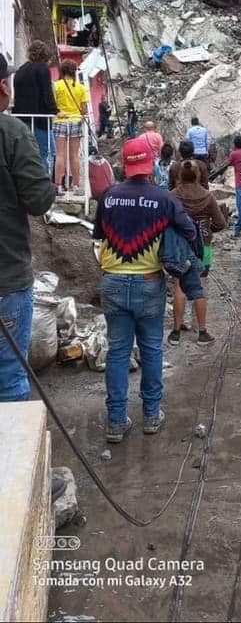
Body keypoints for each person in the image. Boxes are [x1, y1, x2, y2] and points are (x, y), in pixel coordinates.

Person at [93, 137, 196, 441]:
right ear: (150, 164)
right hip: (149, 282)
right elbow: (189, 231)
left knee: (118, 352)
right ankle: (151, 415)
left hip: (112, 281)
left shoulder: (109, 196)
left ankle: (115, 421)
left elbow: (100, 233)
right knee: (151, 350)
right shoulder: (164, 199)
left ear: (125, 166)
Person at [0, 53, 65, 502]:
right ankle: (17, 487)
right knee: (9, 380)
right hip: (5, 279)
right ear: (4, 88)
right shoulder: (11, 132)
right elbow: (40, 198)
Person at [171, 160, 225, 346]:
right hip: (204, 246)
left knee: (179, 285)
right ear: (199, 175)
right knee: (200, 285)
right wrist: (208, 229)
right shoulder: (207, 196)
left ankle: (176, 331)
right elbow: (220, 223)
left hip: (178, 247)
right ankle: (202, 332)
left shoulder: (172, 196)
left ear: (179, 176)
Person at [13, 40, 57, 174]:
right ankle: (43, 186)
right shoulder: (42, 68)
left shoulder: (20, 70)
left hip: (22, 120)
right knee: (47, 153)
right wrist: (55, 111)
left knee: (26, 155)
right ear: (45, 56)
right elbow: (47, 94)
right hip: (40, 120)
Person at [53, 60, 88, 194]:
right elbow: (83, 109)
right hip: (75, 121)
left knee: (60, 154)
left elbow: (53, 105)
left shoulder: (56, 86)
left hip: (60, 121)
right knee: (74, 155)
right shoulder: (80, 88)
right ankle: (76, 185)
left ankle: (58, 185)